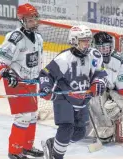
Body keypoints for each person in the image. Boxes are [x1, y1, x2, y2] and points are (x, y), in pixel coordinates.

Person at [38, 25, 107, 159]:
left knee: (80, 133)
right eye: (83, 40)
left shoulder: (95, 55)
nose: (87, 43)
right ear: (74, 40)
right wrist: (46, 87)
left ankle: (53, 143)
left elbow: (100, 73)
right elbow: (46, 74)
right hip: (64, 97)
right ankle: (56, 156)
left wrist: (98, 83)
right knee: (66, 128)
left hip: (83, 98)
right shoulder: (64, 58)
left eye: (88, 40)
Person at [0, 3, 44, 159]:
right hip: (16, 81)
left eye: (35, 18)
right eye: (30, 19)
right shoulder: (15, 37)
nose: (34, 21)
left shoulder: (39, 38)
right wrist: (7, 75)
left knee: (33, 115)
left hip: (31, 81)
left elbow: (37, 60)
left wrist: (40, 75)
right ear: (22, 20)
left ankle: (27, 146)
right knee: (23, 116)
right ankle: (14, 151)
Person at [86, 31, 123, 143]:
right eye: (100, 48)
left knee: (110, 108)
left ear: (111, 47)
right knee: (92, 96)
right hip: (102, 90)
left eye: (106, 47)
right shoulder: (89, 58)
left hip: (117, 94)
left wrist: (119, 104)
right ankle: (86, 125)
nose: (103, 51)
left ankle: (107, 129)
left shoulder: (120, 62)